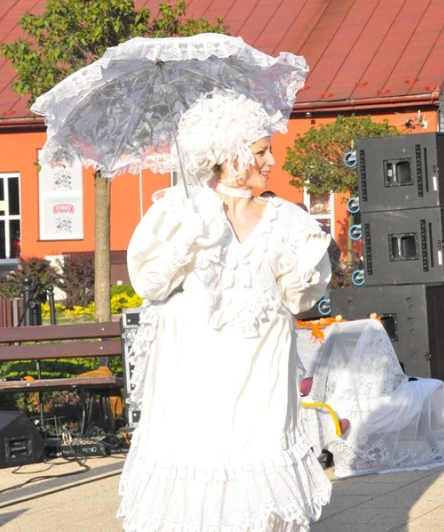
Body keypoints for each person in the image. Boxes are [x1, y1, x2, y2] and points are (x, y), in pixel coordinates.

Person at [116, 88, 332, 531]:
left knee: (260, 460)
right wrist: (185, 240)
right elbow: (150, 283)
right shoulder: (181, 210)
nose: (271, 161)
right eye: (261, 152)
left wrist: (307, 269)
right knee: (203, 460)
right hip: (198, 370)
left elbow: (298, 299)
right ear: (231, 156)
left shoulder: (287, 219)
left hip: (263, 369)